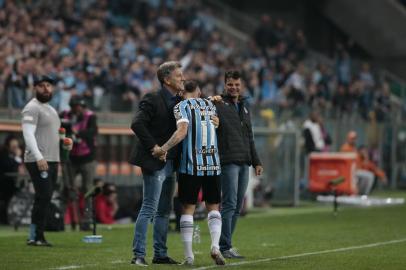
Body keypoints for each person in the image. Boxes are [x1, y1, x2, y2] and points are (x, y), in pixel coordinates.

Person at [152, 80, 225, 266]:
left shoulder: (181, 106)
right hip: (213, 163)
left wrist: (163, 148)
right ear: (199, 91)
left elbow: (182, 131)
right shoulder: (210, 105)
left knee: (188, 209)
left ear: (182, 92)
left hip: (190, 165)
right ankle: (215, 246)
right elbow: (213, 124)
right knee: (214, 207)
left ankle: (189, 256)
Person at [128, 61, 184, 266]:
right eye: (179, 76)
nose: (182, 78)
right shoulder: (152, 98)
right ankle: (138, 254)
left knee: (164, 210)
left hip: (171, 161)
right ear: (166, 79)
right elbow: (137, 123)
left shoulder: (181, 100)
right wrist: (154, 147)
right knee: (150, 207)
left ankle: (160, 254)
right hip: (154, 159)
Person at [215, 70, 263, 258]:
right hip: (228, 161)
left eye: (236, 84)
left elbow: (249, 137)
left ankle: (226, 244)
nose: (233, 87)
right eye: (230, 84)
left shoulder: (244, 105)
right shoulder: (218, 103)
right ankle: (223, 246)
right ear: (225, 85)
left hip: (244, 162)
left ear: (240, 85)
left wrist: (256, 161)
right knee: (229, 204)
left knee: (237, 206)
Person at [21, 75, 60, 246]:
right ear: (34, 88)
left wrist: (67, 143)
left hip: (52, 158)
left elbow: (55, 134)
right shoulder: (31, 108)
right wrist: (38, 157)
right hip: (39, 159)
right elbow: (28, 134)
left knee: (44, 197)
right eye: (41, 85)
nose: (46, 88)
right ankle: (37, 236)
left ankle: (34, 235)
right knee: (44, 196)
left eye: (48, 85)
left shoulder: (51, 109)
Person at [60, 96, 98, 231]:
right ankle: (60, 218)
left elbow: (94, 131)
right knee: (67, 188)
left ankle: (86, 220)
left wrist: (78, 132)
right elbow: (59, 129)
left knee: (87, 189)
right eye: (74, 107)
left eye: (79, 107)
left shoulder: (90, 116)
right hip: (70, 157)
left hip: (87, 157)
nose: (77, 109)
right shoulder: (65, 115)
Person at [340, 131, 375, 195]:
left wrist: (365, 156)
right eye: (352, 138)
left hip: (356, 170)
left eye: (354, 138)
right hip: (349, 171)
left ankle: (361, 194)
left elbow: (365, 163)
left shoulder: (354, 148)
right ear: (348, 138)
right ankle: (362, 194)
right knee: (369, 176)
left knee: (367, 176)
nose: (353, 140)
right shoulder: (345, 148)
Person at [0, 135, 23, 224]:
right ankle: (6, 219)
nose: (15, 148)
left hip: (13, 181)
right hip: (4, 182)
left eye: (16, 146)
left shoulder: (14, 156)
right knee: (10, 195)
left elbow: (18, 168)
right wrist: (17, 157)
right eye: (13, 146)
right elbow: (9, 167)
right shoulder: (4, 155)